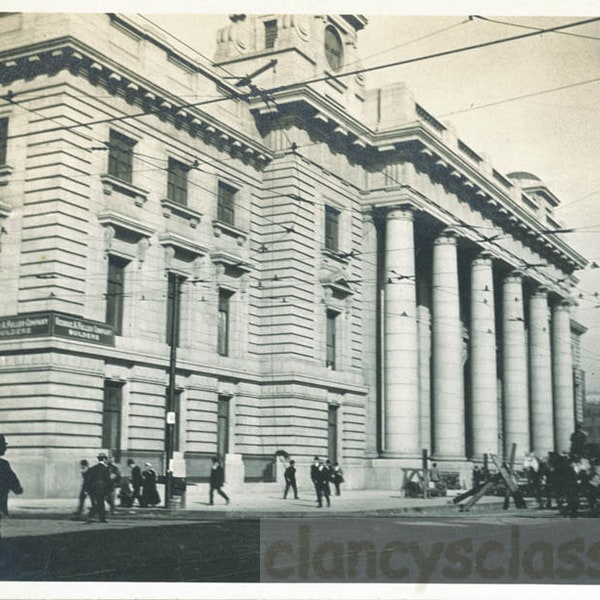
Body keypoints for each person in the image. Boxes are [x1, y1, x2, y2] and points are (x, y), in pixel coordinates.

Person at [0, 434, 23, 541]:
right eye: (3, 445)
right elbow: (12, 480)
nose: (5, 448)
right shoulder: (3, 464)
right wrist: (17, 489)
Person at [85, 453, 112, 523]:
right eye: (106, 459)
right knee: (100, 503)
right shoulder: (106, 469)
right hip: (101, 488)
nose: (106, 460)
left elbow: (88, 479)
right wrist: (110, 489)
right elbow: (108, 480)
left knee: (99, 503)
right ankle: (94, 515)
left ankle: (100, 517)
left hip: (93, 488)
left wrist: (87, 489)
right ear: (104, 459)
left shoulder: (93, 468)